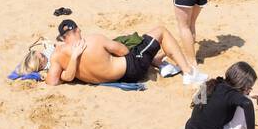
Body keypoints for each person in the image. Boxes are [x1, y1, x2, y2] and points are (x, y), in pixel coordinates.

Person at [44, 19, 189, 87]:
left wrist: (73, 62)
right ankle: (188, 72)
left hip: (112, 79)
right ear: (76, 30)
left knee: (142, 50)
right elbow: (124, 51)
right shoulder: (94, 40)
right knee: (160, 31)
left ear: (63, 38)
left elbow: (52, 82)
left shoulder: (58, 56)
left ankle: (158, 62)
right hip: (132, 70)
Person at [185, 62, 258, 129]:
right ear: (243, 86)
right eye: (249, 88)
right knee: (245, 102)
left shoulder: (212, 83)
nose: (249, 90)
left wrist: (249, 93)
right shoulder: (231, 95)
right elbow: (247, 103)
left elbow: (195, 102)